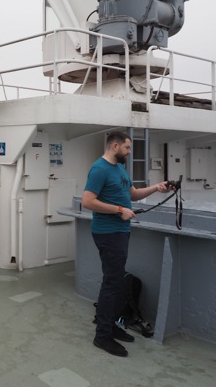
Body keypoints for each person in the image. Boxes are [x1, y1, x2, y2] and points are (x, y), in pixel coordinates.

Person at [82, 131, 171, 357]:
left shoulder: (120, 169)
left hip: (121, 232)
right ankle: (102, 335)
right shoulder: (99, 169)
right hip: (108, 233)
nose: (129, 152)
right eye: (127, 148)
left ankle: (110, 325)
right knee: (112, 283)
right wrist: (119, 210)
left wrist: (156, 188)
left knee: (116, 282)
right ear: (114, 146)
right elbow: (88, 201)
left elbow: (133, 194)